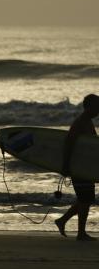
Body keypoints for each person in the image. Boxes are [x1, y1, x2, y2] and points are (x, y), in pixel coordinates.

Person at [55, 94, 99, 241]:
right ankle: (80, 233)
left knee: (86, 198)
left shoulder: (88, 122)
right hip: (77, 166)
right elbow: (68, 144)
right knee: (85, 199)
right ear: (88, 107)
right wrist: (66, 165)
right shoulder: (80, 122)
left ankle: (62, 221)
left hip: (86, 167)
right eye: (97, 106)